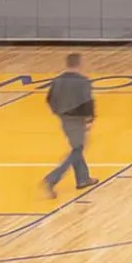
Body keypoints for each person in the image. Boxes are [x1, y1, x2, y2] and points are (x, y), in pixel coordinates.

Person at [42, 53, 98, 197]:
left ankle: (83, 178)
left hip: (64, 118)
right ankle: (52, 178)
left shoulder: (57, 80)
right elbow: (87, 101)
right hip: (77, 119)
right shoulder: (83, 81)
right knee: (77, 150)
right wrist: (89, 119)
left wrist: (58, 112)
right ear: (79, 63)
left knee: (76, 147)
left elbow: (49, 99)